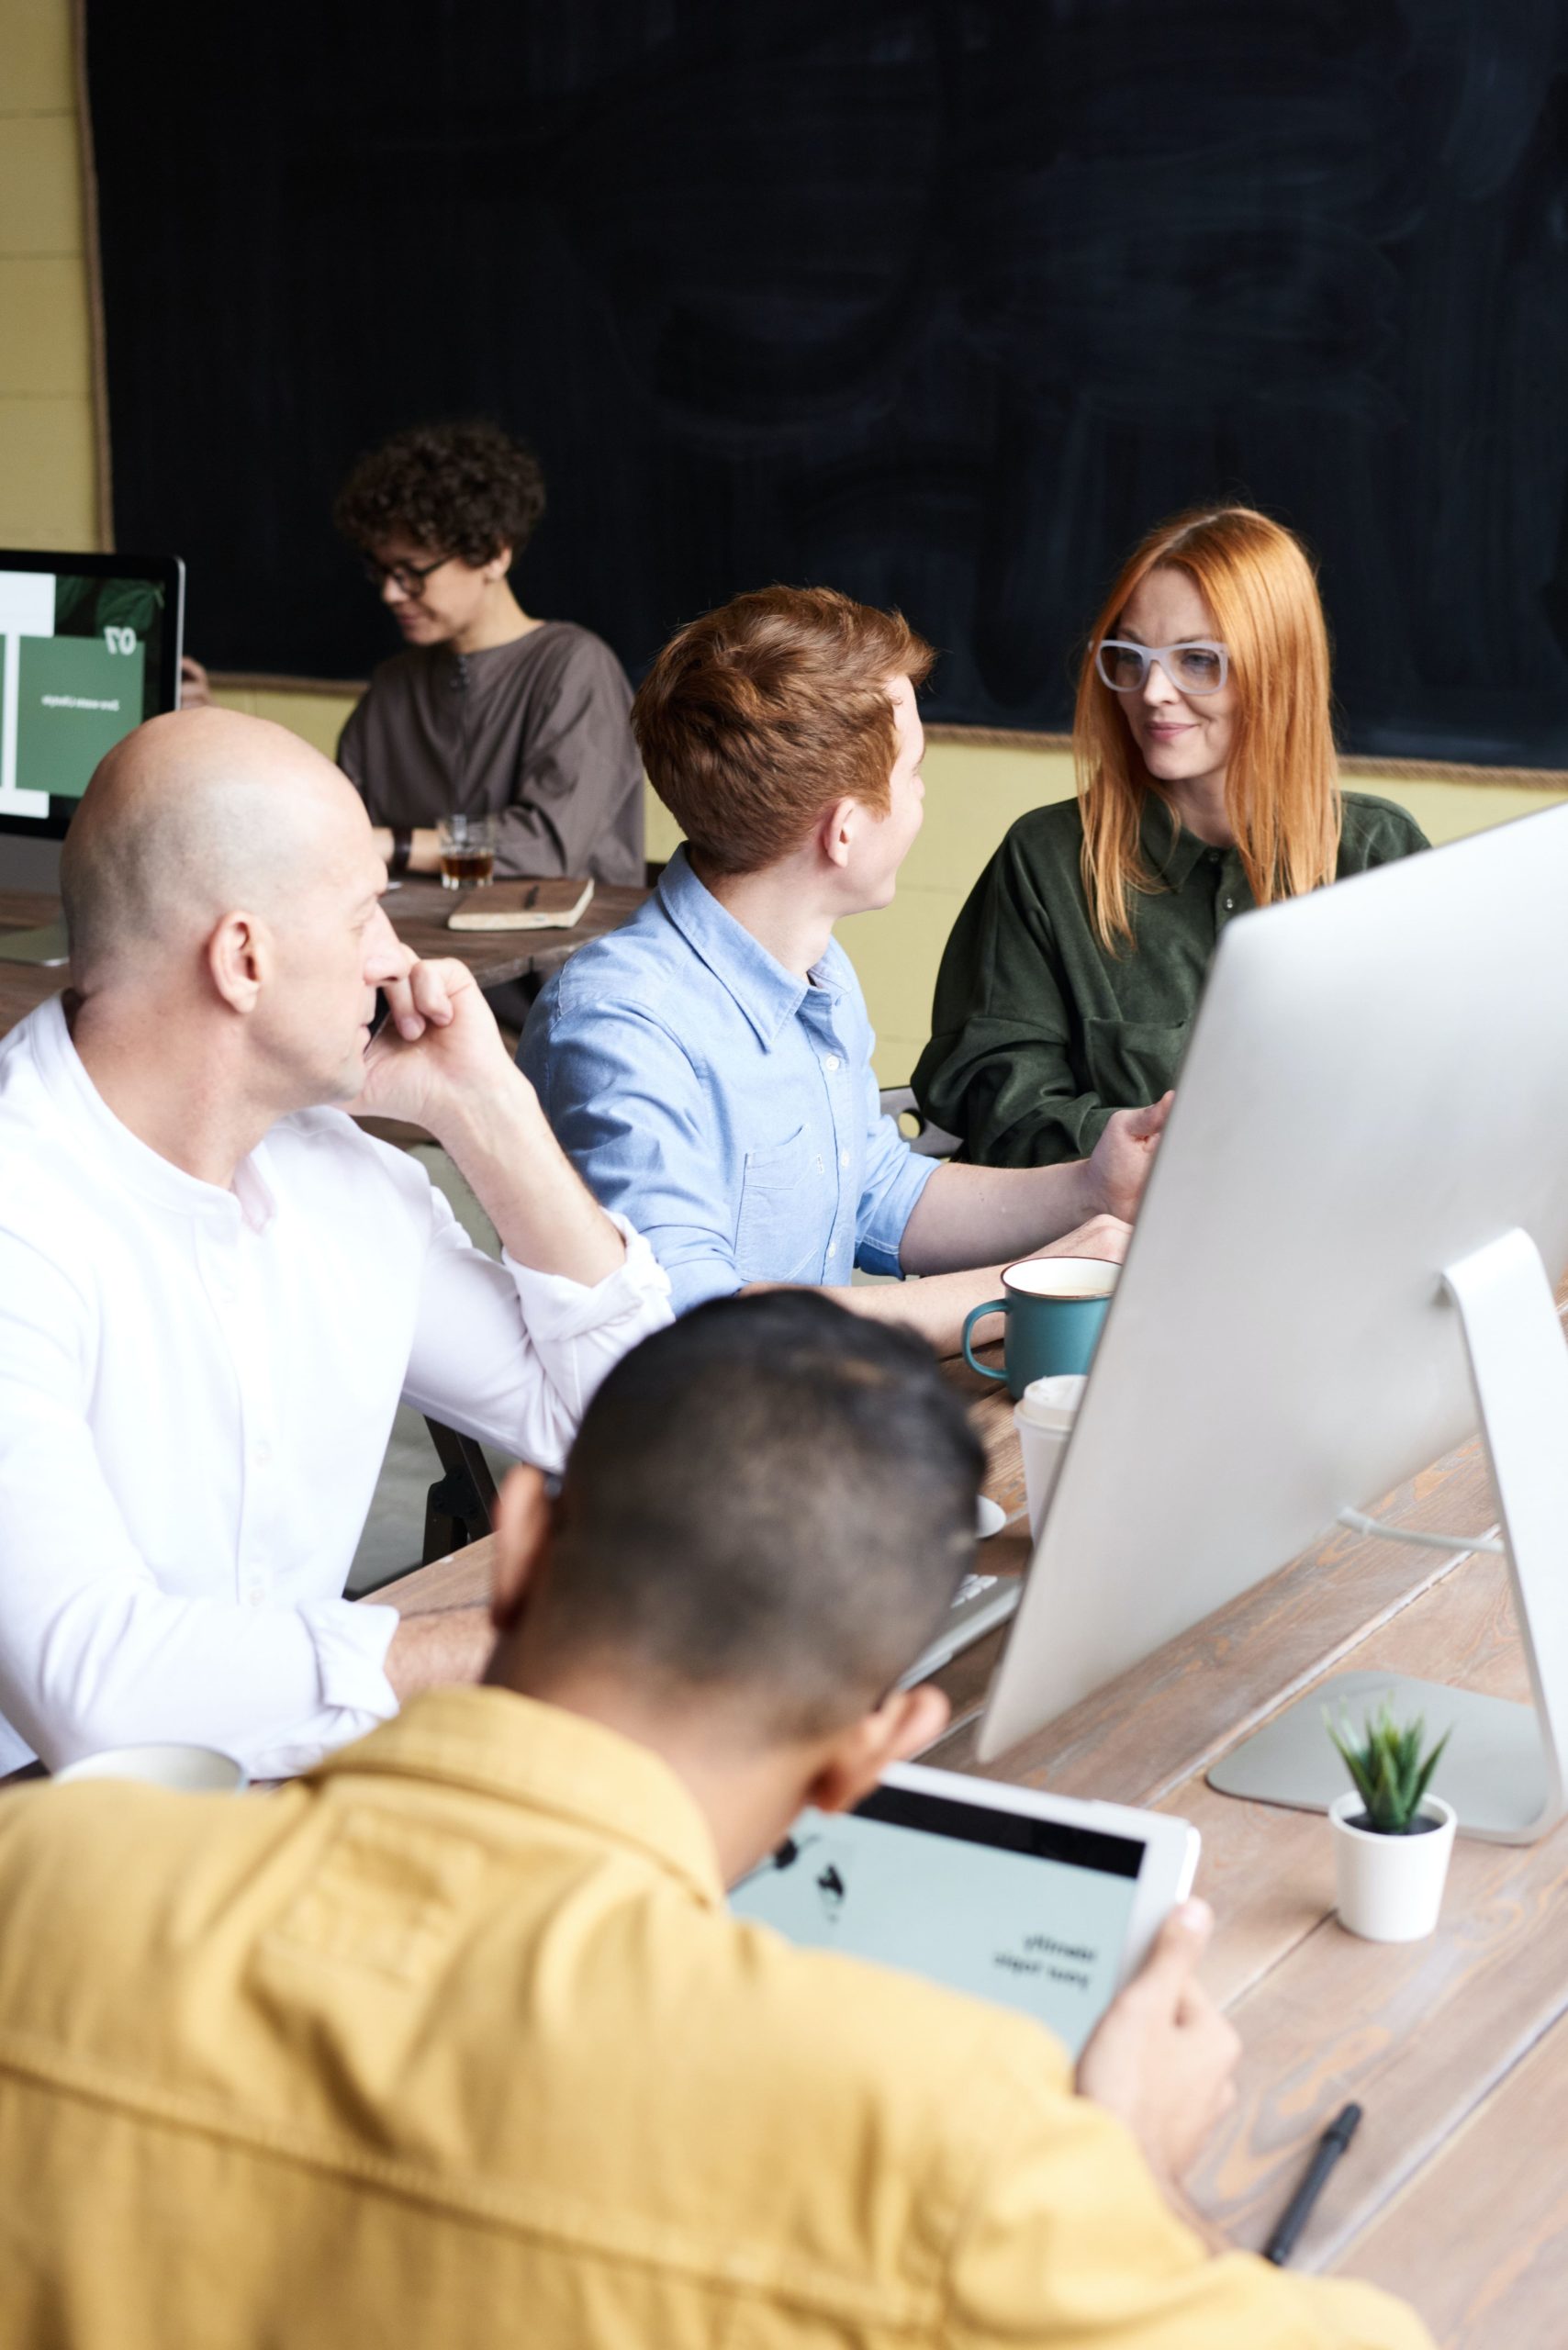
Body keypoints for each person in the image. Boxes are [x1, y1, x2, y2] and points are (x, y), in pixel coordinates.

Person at [0, 1293, 1428, 2347]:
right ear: (876, 1745)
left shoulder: (44, 1874)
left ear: (517, 1550)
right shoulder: (947, 2149)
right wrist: (1137, 2190)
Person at [0, 708, 670, 1782]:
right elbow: (103, 1695)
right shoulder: (21, 1218)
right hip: (49, 1865)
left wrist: (487, 1110)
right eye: (365, 914)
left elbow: (632, 1424)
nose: (398, 959)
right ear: (245, 958)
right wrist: (516, 1649)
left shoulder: (344, 1180)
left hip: (283, 1811)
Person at [520, 587, 1168, 1348]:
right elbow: (690, 1326)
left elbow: (873, 1191)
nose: (923, 796)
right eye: (913, 773)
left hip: (814, 1423)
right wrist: (1019, 1287)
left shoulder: (816, 967)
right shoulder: (618, 1027)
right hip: (688, 1452)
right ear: (847, 833)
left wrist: (1091, 1185)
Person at [912, 508, 1428, 1167]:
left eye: (1198, 661)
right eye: (1131, 657)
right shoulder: (1046, 861)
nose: (1153, 692)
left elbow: (1445, 1083)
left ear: (1279, 671)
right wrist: (1161, 1154)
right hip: (1113, 1255)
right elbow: (999, 1112)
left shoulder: (1380, 853)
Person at [332, 419, 644, 892]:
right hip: (414, 955)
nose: (392, 594)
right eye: (382, 572)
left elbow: (545, 846)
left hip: (556, 960)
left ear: (494, 554)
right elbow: (332, 826)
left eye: (413, 572)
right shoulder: (392, 686)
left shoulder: (575, 667)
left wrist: (394, 844)